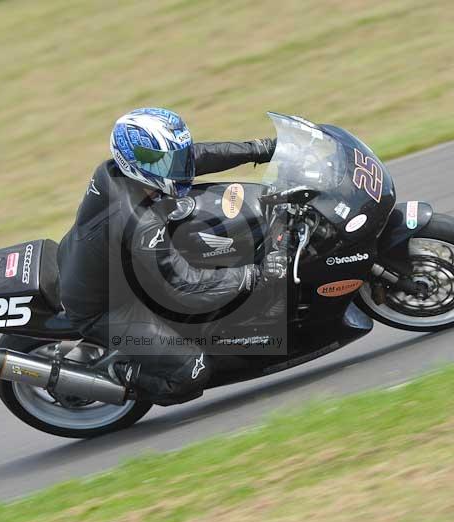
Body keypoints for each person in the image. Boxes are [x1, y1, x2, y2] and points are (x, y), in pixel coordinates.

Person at [58, 108, 285, 406]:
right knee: (191, 372)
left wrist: (261, 149)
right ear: (138, 161)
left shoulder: (116, 169)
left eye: (176, 156)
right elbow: (183, 284)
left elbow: (197, 156)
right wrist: (255, 274)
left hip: (102, 264)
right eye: (169, 159)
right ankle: (117, 372)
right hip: (109, 306)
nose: (180, 165)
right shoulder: (138, 221)